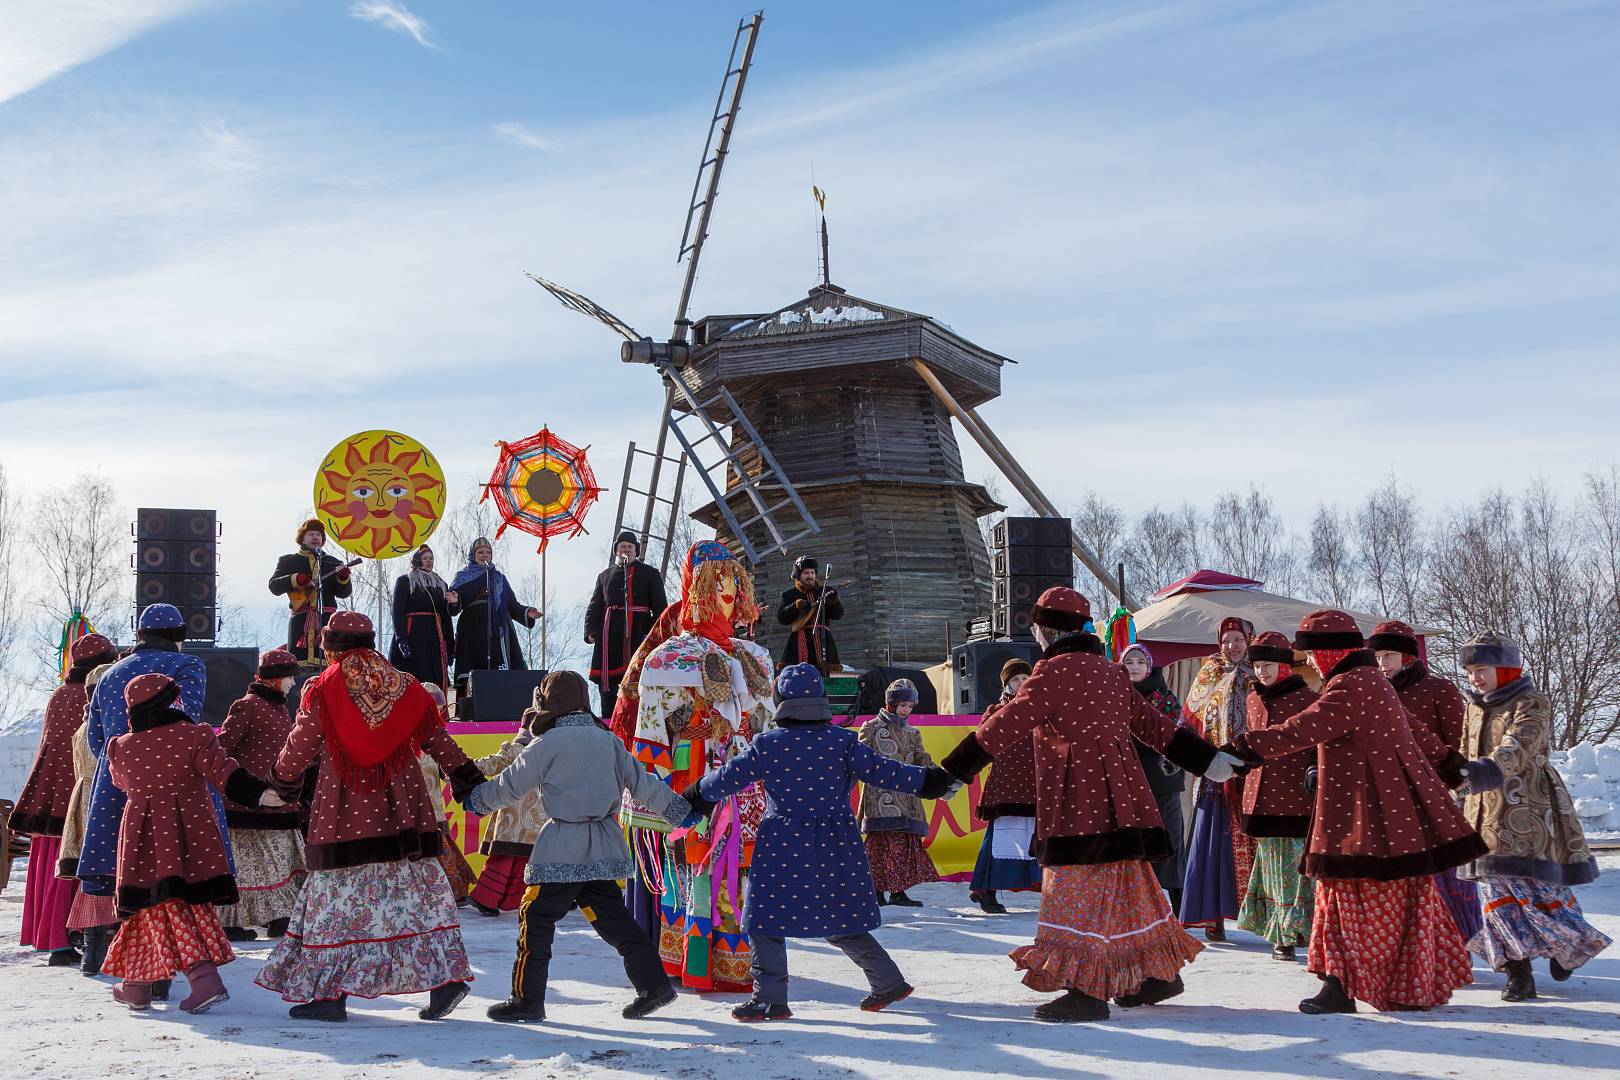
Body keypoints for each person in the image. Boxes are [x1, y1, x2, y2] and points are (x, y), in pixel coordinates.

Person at [940, 587, 1241, 1023]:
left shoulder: (1052, 673)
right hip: (1127, 802)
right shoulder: (1111, 673)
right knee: (1132, 890)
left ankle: (1086, 990)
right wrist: (1207, 759)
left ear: (1044, 630)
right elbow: (1158, 729)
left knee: (1073, 893)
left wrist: (952, 770)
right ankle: (1157, 975)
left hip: (1077, 803)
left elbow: (1003, 726)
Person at [1228, 609, 1486, 1014]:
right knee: (1391, 897)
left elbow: (1304, 728)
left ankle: (1345, 985)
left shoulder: (1351, 686)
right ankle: (1388, 984)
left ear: (1331, 653)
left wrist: (1244, 749)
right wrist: (1448, 763)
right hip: (1386, 812)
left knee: (1353, 896)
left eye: (1313, 654)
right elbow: (1416, 729)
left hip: (1366, 813)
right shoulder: (1372, 682)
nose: (1310, 661)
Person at [684, 664, 957, 1021]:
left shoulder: (767, 745)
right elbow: (887, 771)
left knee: (764, 919)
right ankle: (887, 981)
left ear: (782, 701)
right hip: (836, 840)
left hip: (782, 843)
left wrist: (693, 797)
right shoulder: (843, 742)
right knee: (841, 918)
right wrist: (931, 782)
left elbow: (726, 778)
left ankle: (770, 998)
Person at [255, 612, 486, 1022]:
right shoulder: (405, 686)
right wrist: (467, 778)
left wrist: (280, 783)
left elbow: (301, 745)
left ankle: (329, 997)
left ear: (330, 647)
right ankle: (445, 981)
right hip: (402, 807)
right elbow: (438, 741)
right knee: (413, 895)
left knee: (336, 898)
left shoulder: (321, 687)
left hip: (345, 808)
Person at [464, 670, 692, 1023]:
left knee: (536, 917)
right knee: (616, 923)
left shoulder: (547, 744)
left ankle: (527, 999)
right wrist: (682, 812)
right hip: (604, 846)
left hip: (563, 847)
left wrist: (475, 800)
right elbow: (645, 785)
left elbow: (508, 787)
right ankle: (654, 985)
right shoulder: (611, 742)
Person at [624, 541, 776, 993]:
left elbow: (768, 727)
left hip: (747, 786)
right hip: (694, 782)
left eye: (735, 579)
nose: (728, 589)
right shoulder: (667, 657)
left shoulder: (756, 657)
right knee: (697, 872)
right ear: (698, 587)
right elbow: (651, 732)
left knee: (743, 875)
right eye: (717, 580)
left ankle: (742, 960)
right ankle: (693, 959)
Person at [100, 673, 283, 1012]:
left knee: (154, 904)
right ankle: (144, 985)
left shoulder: (120, 746)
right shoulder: (195, 735)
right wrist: (258, 793)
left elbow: (120, 782)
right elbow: (223, 772)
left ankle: (198, 980)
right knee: (176, 905)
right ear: (168, 702)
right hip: (189, 835)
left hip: (143, 838)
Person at [1454, 630, 1609, 1002]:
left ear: (1506, 668)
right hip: (1482, 815)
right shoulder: (1474, 706)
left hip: (1527, 810)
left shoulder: (1531, 701)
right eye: (1471, 670)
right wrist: (1454, 777)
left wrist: (1485, 771)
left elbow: (1519, 744)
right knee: (1495, 897)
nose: (1475, 677)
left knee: (1536, 891)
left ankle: (1569, 947)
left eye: (1483, 668)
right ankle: (1518, 974)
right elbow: (1462, 750)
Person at [80, 605, 226, 909]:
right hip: (173, 788)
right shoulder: (187, 664)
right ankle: (176, 949)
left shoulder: (109, 675)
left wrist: (124, 766)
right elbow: (185, 719)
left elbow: (95, 740)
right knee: (177, 876)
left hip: (117, 786)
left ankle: (110, 950)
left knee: (123, 877)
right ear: (178, 635)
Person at [1370, 619, 1481, 941]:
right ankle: (1412, 939)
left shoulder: (1438, 689)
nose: (1382, 664)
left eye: (1389, 655)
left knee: (1443, 875)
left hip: (1433, 797)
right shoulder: (1373, 695)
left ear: (1409, 657)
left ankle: (1458, 936)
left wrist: (1453, 787)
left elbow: (1460, 744)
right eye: (1377, 657)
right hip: (1387, 799)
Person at [14, 633, 117, 966]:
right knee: (75, 866)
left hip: (51, 792)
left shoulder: (59, 694)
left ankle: (52, 937)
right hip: (83, 795)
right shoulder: (92, 695)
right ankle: (67, 937)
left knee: (50, 864)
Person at [1233, 631, 1316, 961]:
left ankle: (1297, 931)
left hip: (1295, 795)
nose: (1262, 672)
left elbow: (1316, 745)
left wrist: (1312, 770)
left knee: (1296, 869)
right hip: (1260, 794)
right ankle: (1280, 933)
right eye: (1258, 666)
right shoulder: (1252, 698)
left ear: (1285, 666)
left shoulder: (1307, 699)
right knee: (1269, 867)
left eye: (1269, 665)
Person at [213, 649, 307, 942]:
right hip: (248, 804)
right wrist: (243, 786)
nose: (293, 684)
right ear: (275, 679)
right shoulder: (247, 706)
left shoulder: (281, 708)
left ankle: (280, 916)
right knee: (246, 868)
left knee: (281, 860)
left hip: (279, 801)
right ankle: (229, 922)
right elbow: (222, 747)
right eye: (290, 677)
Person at [1180, 616, 1256, 942]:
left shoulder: (1260, 675)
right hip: (1215, 771)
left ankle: (1276, 916)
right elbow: (1187, 722)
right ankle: (1212, 915)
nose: (1231, 646)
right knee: (1212, 845)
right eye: (1226, 640)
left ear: (1249, 641)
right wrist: (1202, 757)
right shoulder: (1208, 674)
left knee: (1261, 844)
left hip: (1253, 770)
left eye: (1238, 639)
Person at [466, 685, 553, 917]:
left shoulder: (517, 751)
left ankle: (488, 899)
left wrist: (460, 769)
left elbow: (490, 764)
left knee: (506, 859)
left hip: (512, 819)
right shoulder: (551, 750)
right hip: (539, 820)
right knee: (529, 861)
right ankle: (533, 899)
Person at [858, 678, 941, 907]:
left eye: (910, 706)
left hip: (906, 795)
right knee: (880, 845)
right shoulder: (872, 727)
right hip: (880, 795)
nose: (906, 710)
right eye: (902, 705)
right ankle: (875, 892)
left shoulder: (913, 732)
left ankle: (898, 891)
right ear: (891, 704)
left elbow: (920, 757)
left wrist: (937, 774)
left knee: (903, 843)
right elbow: (861, 760)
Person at [968, 658, 1042, 915]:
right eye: (1015, 680)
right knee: (1001, 837)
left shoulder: (1041, 709)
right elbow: (984, 740)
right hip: (1007, 785)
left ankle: (1046, 888)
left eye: (1025, 678)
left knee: (1035, 836)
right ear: (1007, 684)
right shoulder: (996, 710)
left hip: (1036, 783)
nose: (1021, 684)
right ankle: (984, 889)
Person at [1119, 643, 1189, 914]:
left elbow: (1175, 736)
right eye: (1129, 663)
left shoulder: (1165, 698)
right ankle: (1134, 909)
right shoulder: (1115, 696)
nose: (1134, 667)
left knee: (1170, 842)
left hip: (1162, 782)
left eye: (1139, 662)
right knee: (1133, 846)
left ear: (1149, 667)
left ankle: (1181, 907)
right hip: (1127, 783)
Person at [60, 660, 116, 975]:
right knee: (108, 877)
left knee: (93, 880)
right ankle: (104, 955)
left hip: (83, 802)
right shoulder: (108, 725)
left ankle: (91, 957)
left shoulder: (83, 727)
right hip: (104, 805)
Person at [585, 530, 669, 715]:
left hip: (640, 632)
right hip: (610, 636)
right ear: (616, 550)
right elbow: (595, 606)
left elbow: (661, 606)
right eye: (623, 546)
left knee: (639, 677)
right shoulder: (604, 576)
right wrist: (591, 630)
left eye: (630, 547)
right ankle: (609, 719)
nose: (626, 550)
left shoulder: (650, 573)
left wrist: (659, 634)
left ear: (636, 551)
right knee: (609, 684)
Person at [418, 684, 477, 905]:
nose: (437, 712)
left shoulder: (435, 734)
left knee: (438, 843)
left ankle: (452, 891)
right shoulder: (407, 732)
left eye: (439, 708)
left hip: (432, 802)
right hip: (416, 804)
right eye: (433, 707)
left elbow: (447, 765)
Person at [450, 537, 540, 678]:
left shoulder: (499, 578)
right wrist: (456, 600)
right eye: (480, 552)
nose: (485, 555)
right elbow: (455, 602)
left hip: (498, 630)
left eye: (488, 552)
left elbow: (512, 605)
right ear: (473, 555)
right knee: (473, 670)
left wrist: (527, 612)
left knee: (499, 672)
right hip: (472, 628)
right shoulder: (463, 576)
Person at [268, 518, 354, 663]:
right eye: (311, 534)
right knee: (299, 665)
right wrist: (295, 579)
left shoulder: (332, 562)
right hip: (301, 624)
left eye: (318, 535)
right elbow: (274, 586)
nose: (315, 537)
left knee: (327, 663)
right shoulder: (288, 561)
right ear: (302, 539)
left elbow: (344, 593)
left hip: (326, 624)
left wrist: (343, 578)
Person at [389, 544, 458, 688]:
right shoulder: (405, 581)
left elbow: (446, 616)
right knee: (413, 677)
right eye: (425, 558)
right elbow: (397, 612)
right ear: (417, 560)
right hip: (413, 636)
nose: (429, 561)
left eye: (431, 558)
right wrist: (401, 639)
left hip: (434, 640)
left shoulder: (441, 584)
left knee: (434, 679)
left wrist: (449, 646)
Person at [775, 555, 843, 675]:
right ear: (798, 575)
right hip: (799, 642)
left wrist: (834, 602)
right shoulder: (789, 595)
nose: (810, 576)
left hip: (823, 640)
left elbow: (837, 615)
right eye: (806, 573)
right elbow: (782, 618)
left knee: (827, 676)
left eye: (812, 573)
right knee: (800, 675)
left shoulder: (825, 591)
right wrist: (797, 606)